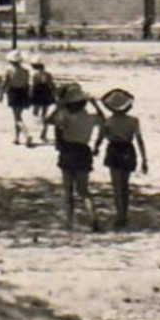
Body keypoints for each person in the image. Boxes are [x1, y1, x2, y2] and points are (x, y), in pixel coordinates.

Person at [45, 81, 101, 231]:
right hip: (84, 150)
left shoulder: (65, 115)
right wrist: (95, 105)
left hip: (68, 151)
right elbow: (104, 120)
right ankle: (93, 218)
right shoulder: (90, 117)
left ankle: (69, 223)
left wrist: (59, 106)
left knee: (68, 190)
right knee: (84, 190)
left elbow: (48, 120)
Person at [93, 88, 148, 230]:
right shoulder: (133, 121)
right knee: (125, 185)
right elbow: (139, 140)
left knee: (117, 186)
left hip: (114, 150)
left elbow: (100, 137)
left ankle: (119, 215)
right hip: (128, 149)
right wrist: (144, 159)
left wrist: (96, 148)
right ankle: (124, 213)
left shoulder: (109, 121)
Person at [0, 51, 33, 146]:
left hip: (14, 92)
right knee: (18, 116)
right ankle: (17, 137)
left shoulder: (9, 70)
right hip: (23, 92)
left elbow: (4, 83)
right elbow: (27, 84)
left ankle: (26, 134)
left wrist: (1, 94)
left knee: (17, 117)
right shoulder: (26, 71)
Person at [29, 59, 56, 141]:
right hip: (46, 93)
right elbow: (51, 84)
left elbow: (32, 85)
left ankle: (35, 130)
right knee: (44, 113)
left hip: (37, 93)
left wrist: (29, 95)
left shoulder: (34, 74)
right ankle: (43, 133)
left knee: (35, 112)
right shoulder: (48, 74)